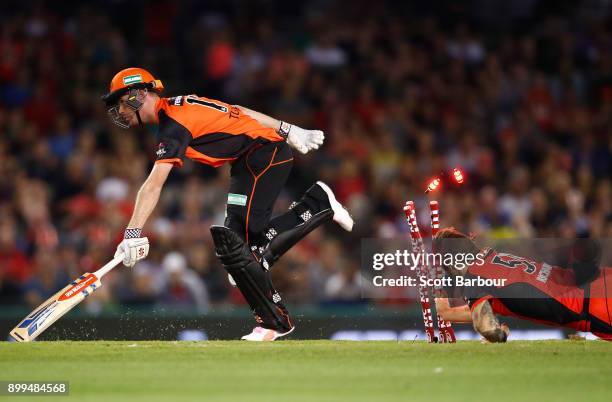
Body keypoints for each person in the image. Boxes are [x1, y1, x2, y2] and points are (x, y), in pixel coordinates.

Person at [102, 67, 353, 341]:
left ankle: (277, 320)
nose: (119, 110)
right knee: (237, 253)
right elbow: (236, 110)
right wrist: (286, 128)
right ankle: (315, 207)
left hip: (264, 156)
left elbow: (153, 184)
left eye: (121, 101)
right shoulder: (179, 106)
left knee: (241, 252)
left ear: (138, 95)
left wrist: (131, 233)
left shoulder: (172, 125)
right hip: (250, 161)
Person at [431, 227, 611, 342]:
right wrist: (446, 312)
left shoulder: (472, 276)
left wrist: (499, 334)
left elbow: (485, 325)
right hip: (601, 278)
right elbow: (490, 305)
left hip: (594, 306)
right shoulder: (491, 257)